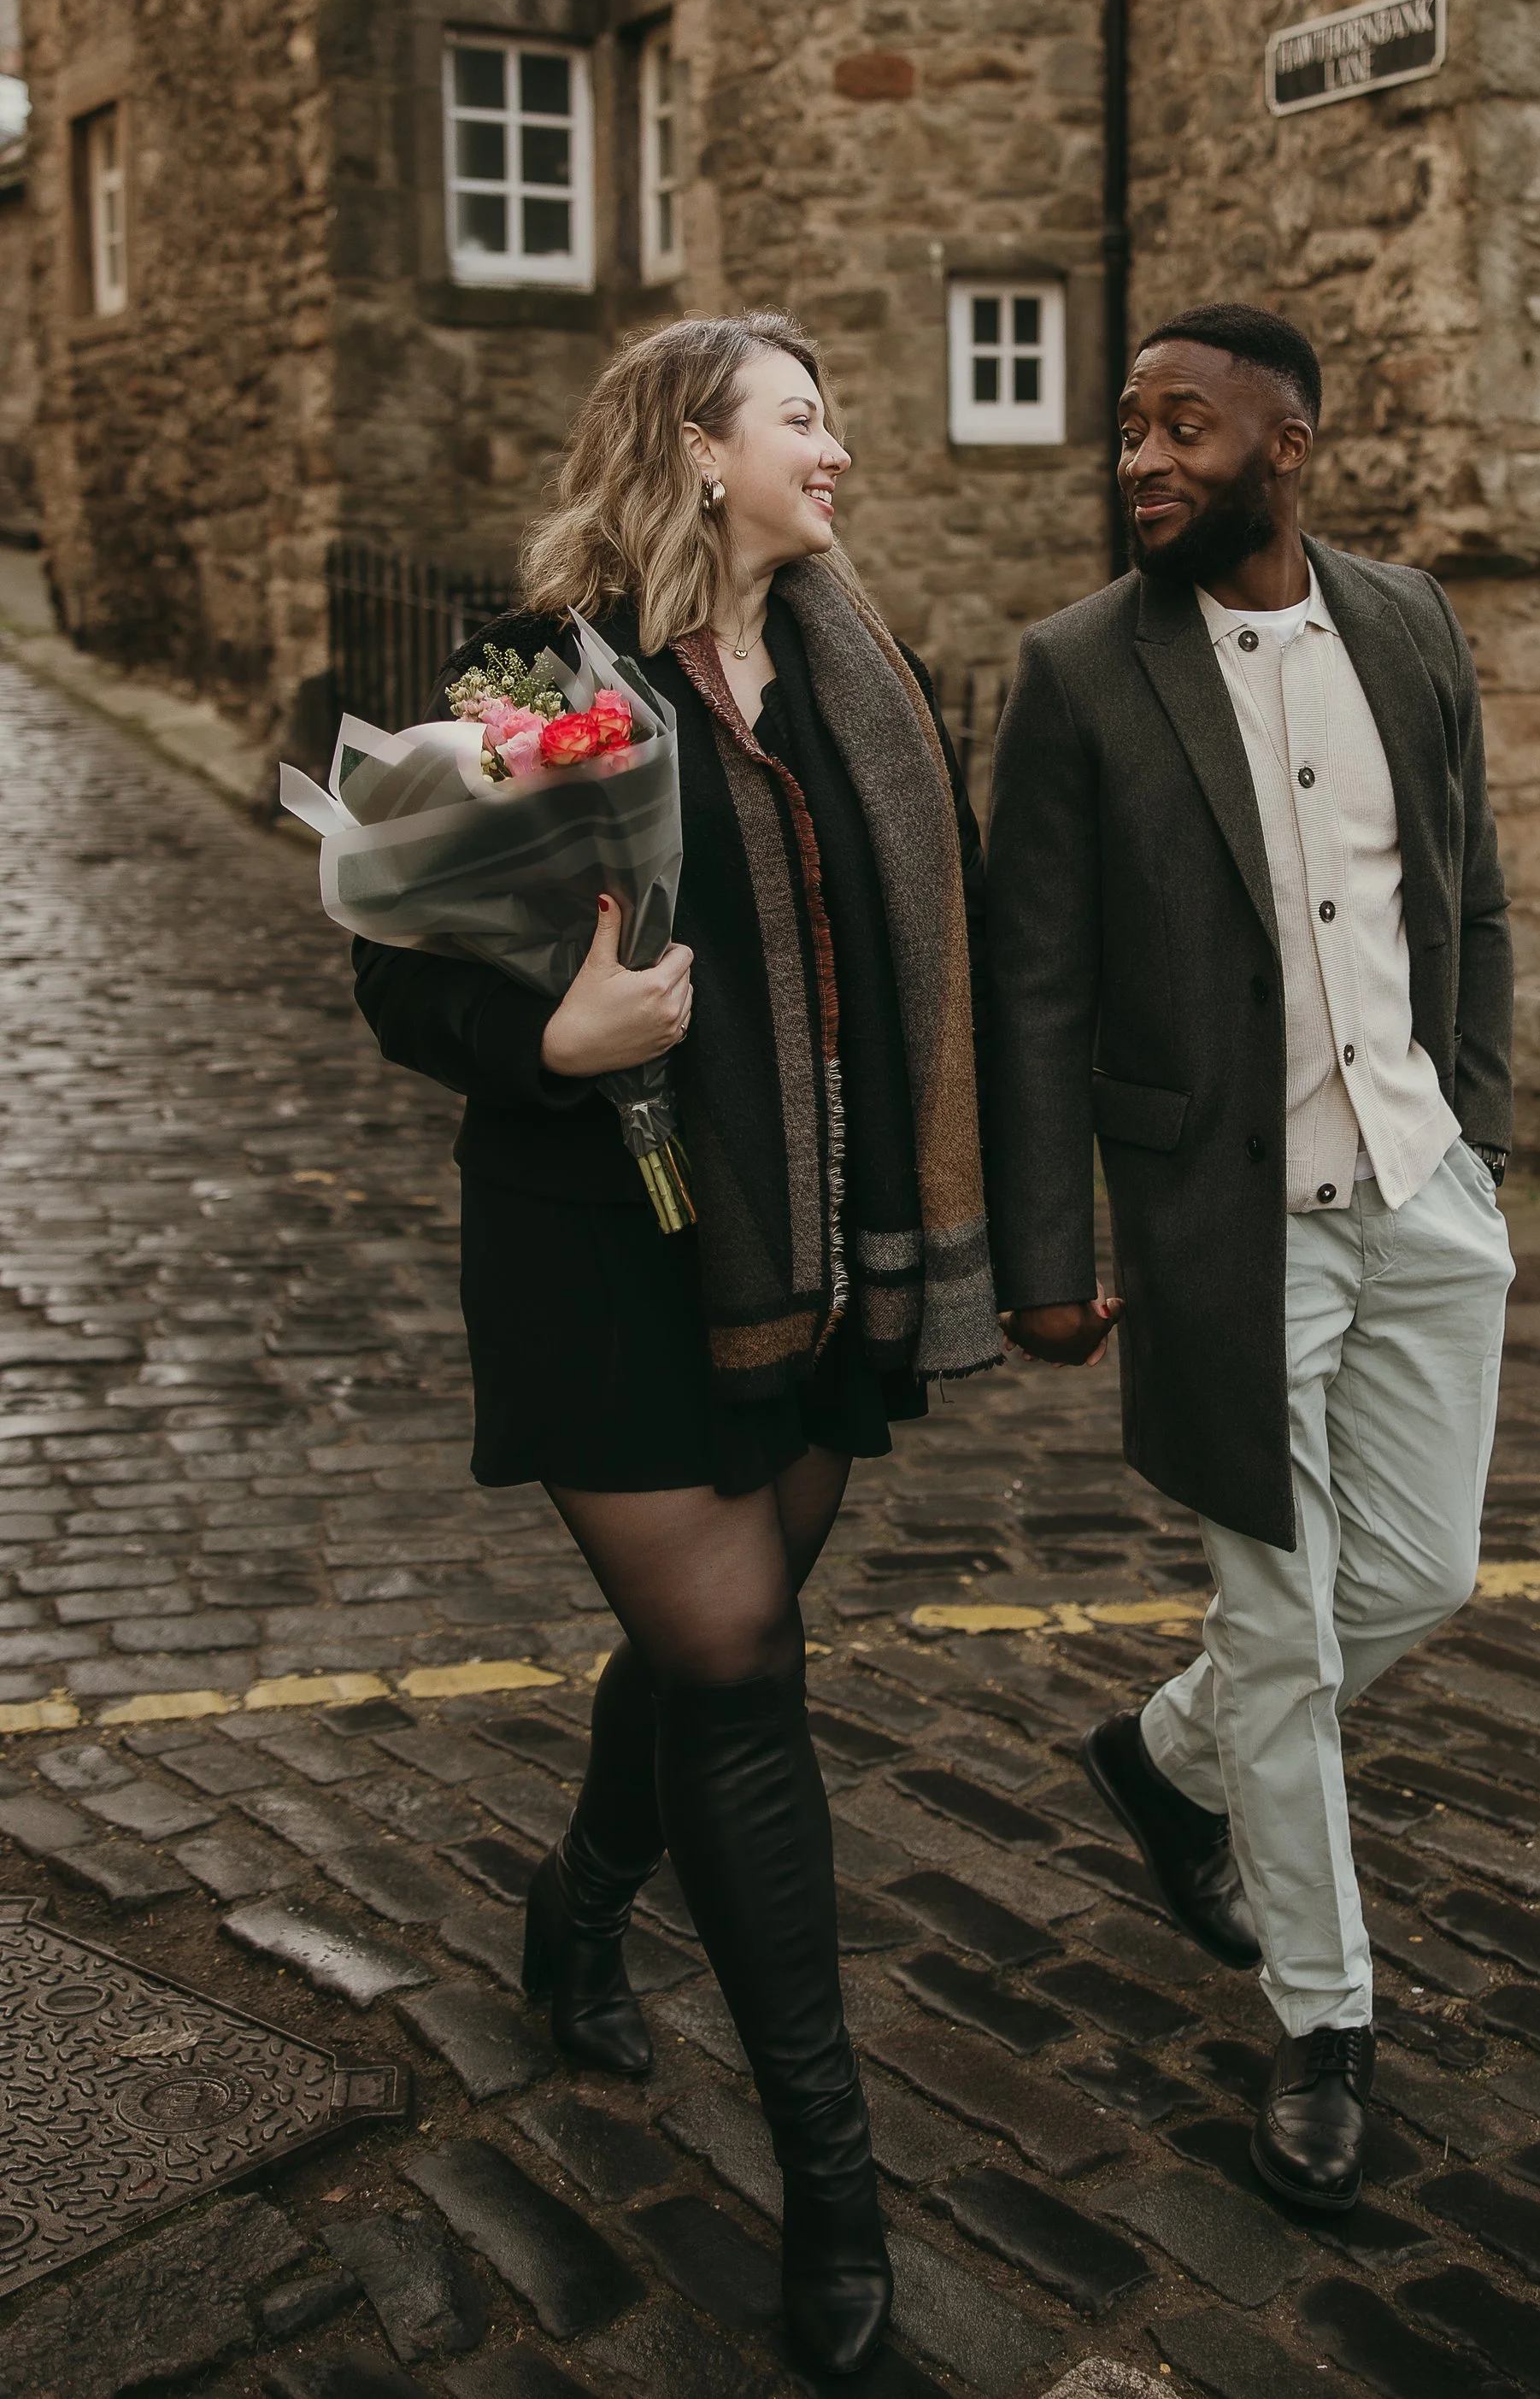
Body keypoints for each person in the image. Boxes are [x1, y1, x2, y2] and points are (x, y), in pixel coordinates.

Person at [354, 312, 996, 2377]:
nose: (841, 449)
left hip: (809, 1258)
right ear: (697, 451)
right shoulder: (532, 673)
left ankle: (579, 1898)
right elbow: (397, 960)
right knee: (734, 1660)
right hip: (607, 1256)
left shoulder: (859, 674)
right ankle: (834, 2188)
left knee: (712, 1634)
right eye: (805, 416)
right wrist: (552, 1032)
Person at [985, 301, 1514, 2212]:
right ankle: (1321, 2019)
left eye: (1182, 427)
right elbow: (1032, 988)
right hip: (1227, 1235)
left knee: (1423, 1574)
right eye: (1128, 426)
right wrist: (1045, 1253)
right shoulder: (1076, 672)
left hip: (1423, 1193)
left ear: (1283, 450)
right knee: (1283, 1634)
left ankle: (1160, 1758)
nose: (1141, 456)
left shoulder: (1409, 624)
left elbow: (1468, 896)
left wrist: (1480, 1139)